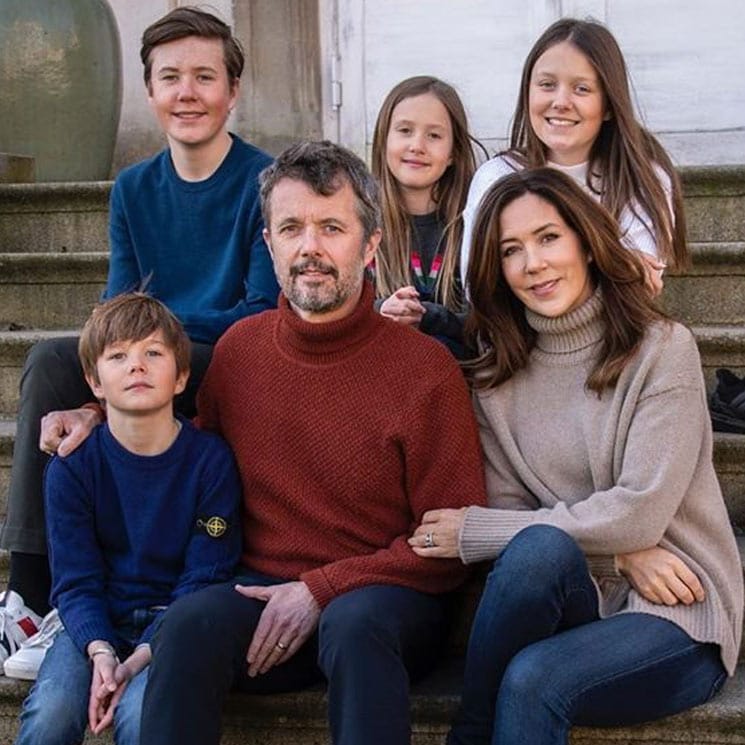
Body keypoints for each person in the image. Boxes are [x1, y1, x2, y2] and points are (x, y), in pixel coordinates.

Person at [44, 140, 487, 745]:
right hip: (260, 593)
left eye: (332, 227)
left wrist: (321, 588)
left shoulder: (424, 369)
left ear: (372, 244)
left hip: (387, 601)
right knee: (188, 625)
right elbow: (185, 455)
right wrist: (98, 411)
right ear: (269, 245)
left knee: (354, 627)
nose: (311, 247)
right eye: (291, 228)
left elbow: (449, 540)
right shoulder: (238, 353)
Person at [410, 168, 743, 745]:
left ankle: (472, 731)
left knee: (533, 678)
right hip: (584, 592)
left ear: (586, 242)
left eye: (548, 237)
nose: (533, 263)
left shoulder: (662, 350)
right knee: (536, 550)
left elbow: (639, 511)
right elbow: (521, 548)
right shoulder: (495, 378)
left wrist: (474, 529)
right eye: (511, 251)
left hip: (678, 609)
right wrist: (621, 558)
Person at [0, 6, 278, 673]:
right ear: (150, 92)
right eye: (171, 78)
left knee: (154, 351)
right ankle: (28, 597)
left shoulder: (263, 180)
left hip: (229, 357)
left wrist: (151, 337)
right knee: (50, 359)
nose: (188, 93)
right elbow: (118, 308)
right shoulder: (132, 188)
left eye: (205, 77)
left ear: (231, 91)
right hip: (162, 351)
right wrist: (124, 357)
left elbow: (260, 308)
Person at [13, 293, 242, 745]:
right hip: (95, 619)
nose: (136, 366)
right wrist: (99, 651)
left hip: (173, 624)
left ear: (181, 377)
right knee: (51, 713)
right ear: (94, 383)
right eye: (118, 356)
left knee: (141, 719)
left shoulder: (211, 462)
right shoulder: (71, 468)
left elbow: (206, 574)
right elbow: (75, 581)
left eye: (153, 353)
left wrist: (139, 657)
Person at [459, 17, 688, 296]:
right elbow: (479, 289)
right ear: (527, 92)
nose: (561, 102)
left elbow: (637, 288)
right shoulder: (497, 176)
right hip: (515, 336)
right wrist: (608, 263)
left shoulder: (642, 177)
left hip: (615, 337)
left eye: (582, 89)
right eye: (546, 84)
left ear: (608, 105)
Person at [370, 76, 483, 358]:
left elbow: (489, 324)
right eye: (405, 130)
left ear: (454, 152)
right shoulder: (360, 222)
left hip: (459, 377)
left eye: (434, 135)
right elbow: (340, 310)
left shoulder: (473, 224)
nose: (417, 145)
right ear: (384, 141)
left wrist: (429, 316)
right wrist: (381, 310)